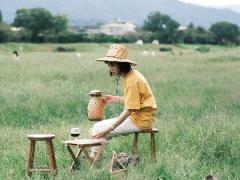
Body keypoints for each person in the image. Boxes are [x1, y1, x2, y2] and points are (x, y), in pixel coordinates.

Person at [90, 44, 157, 159]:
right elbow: (135, 101)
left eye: (113, 65)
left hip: (140, 120)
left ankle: (95, 161)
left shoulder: (131, 80)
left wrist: (110, 128)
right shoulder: (132, 75)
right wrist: (113, 99)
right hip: (141, 117)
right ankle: (93, 158)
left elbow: (130, 109)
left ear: (121, 64)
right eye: (109, 65)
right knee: (98, 127)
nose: (110, 68)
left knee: (99, 128)